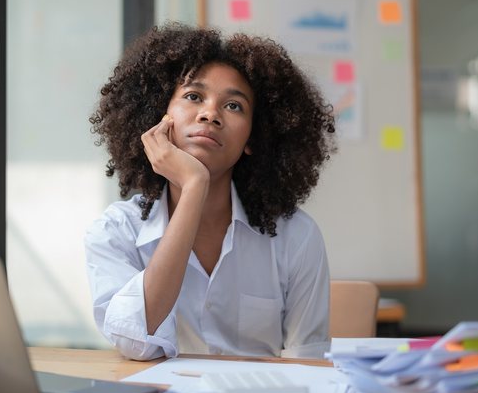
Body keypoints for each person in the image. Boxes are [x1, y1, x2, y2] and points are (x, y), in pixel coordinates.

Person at [85, 23, 336, 361]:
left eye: (234, 106)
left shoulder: (297, 237)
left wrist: (193, 184)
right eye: (193, 96)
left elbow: (308, 364)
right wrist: (193, 187)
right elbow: (135, 343)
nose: (210, 114)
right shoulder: (116, 231)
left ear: (253, 139)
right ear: (159, 118)